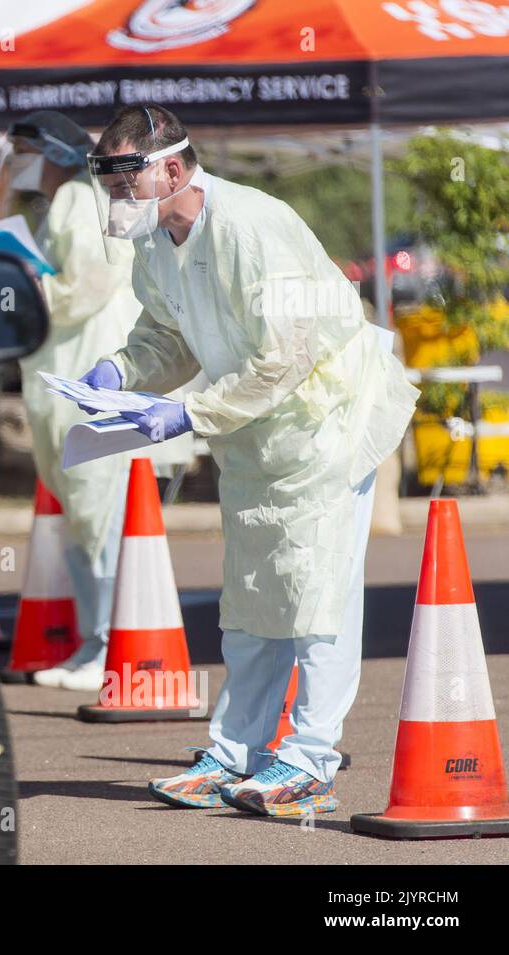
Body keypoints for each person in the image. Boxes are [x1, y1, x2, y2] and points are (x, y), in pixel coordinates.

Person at [79, 104, 418, 816]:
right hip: (257, 435)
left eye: (124, 180)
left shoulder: (250, 226)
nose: (116, 196)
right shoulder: (157, 239)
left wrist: (188, 412)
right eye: (106, 181)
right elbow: (166, 336)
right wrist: (119, 372)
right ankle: (234, 751)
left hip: (329, 418)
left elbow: (286, 357)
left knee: (316, 592)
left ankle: (308, 759)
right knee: (254, 593)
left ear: (171, 167)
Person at [0, 111, 143, 691]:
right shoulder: (77, 201)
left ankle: (105, 646)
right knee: (87, 514)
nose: (18, 163)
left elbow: (87, 282)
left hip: (86, 375)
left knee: (97, 511)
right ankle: (94, 644)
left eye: (26, 150)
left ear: (54, 152)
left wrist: (33, 292)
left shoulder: (77, 201)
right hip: (76, 373)